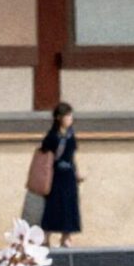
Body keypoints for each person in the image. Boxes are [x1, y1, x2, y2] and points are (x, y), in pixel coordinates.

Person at [39, 101, 81, 247]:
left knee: (69, 205)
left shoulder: (71, 135)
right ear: (59, 117)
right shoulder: (52, 136)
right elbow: (44, 154)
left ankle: (66, 236)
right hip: (55, 175)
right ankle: (46, 237)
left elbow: (72, 156)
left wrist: (76, 172)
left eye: (71, 116)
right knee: (53, 206)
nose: (70, 119)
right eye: (67, 116)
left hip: (68, 174)